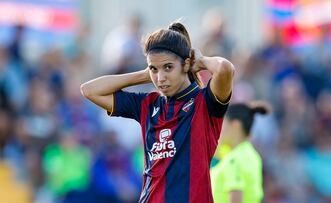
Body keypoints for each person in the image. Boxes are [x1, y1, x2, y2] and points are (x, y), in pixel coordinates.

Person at [80, 21, 235, 203]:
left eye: (168, 67)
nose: (161, 78)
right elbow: (89, 90)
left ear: (186, 65)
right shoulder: (148, 104)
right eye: (155, 69)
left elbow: (225, 69)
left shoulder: (204, 102)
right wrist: (145, 74)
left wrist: (200, 61)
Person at [211, 101, 270, 203]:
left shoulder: (234, 160)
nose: (220, 128)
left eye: (223, 123)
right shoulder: (252, 154)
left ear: (235, 125)